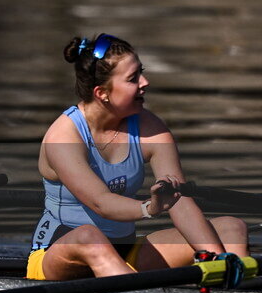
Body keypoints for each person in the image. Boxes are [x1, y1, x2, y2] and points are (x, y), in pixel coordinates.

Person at [27, 33, 248, 280]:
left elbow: (179, 200)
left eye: (141, 72)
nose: (145, 82)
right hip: (57, 255)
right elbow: (102, 203)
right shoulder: (64, 134)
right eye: (133, 78)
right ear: (102, 93)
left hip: (124, 252)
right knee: (90, 236)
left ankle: (230, 289)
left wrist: (216, 258)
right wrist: (149, 208)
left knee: (231, 228)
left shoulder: (150, 127)